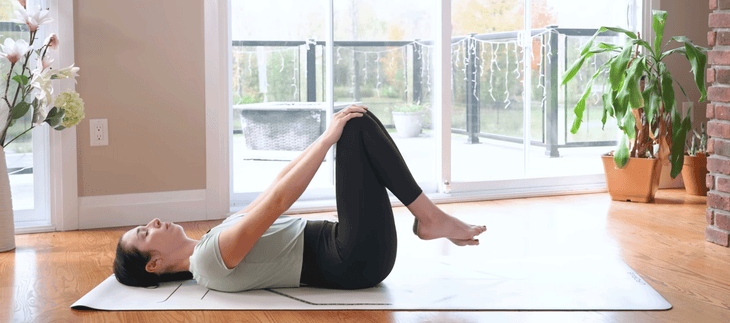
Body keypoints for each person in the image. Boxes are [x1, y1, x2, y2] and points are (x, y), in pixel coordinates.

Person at [114, 105, 486, 292]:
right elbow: (278, 202)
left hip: (351, 248)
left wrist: (326, 136)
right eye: (144, 234)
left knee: (355, 118)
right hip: (354, 259)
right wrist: (327, 139)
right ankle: (430, 217)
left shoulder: (214, 238)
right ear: (154, 265)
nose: (153, 223)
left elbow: (275, 185)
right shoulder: (209, 261)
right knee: (354, 125)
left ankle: (429, 217)